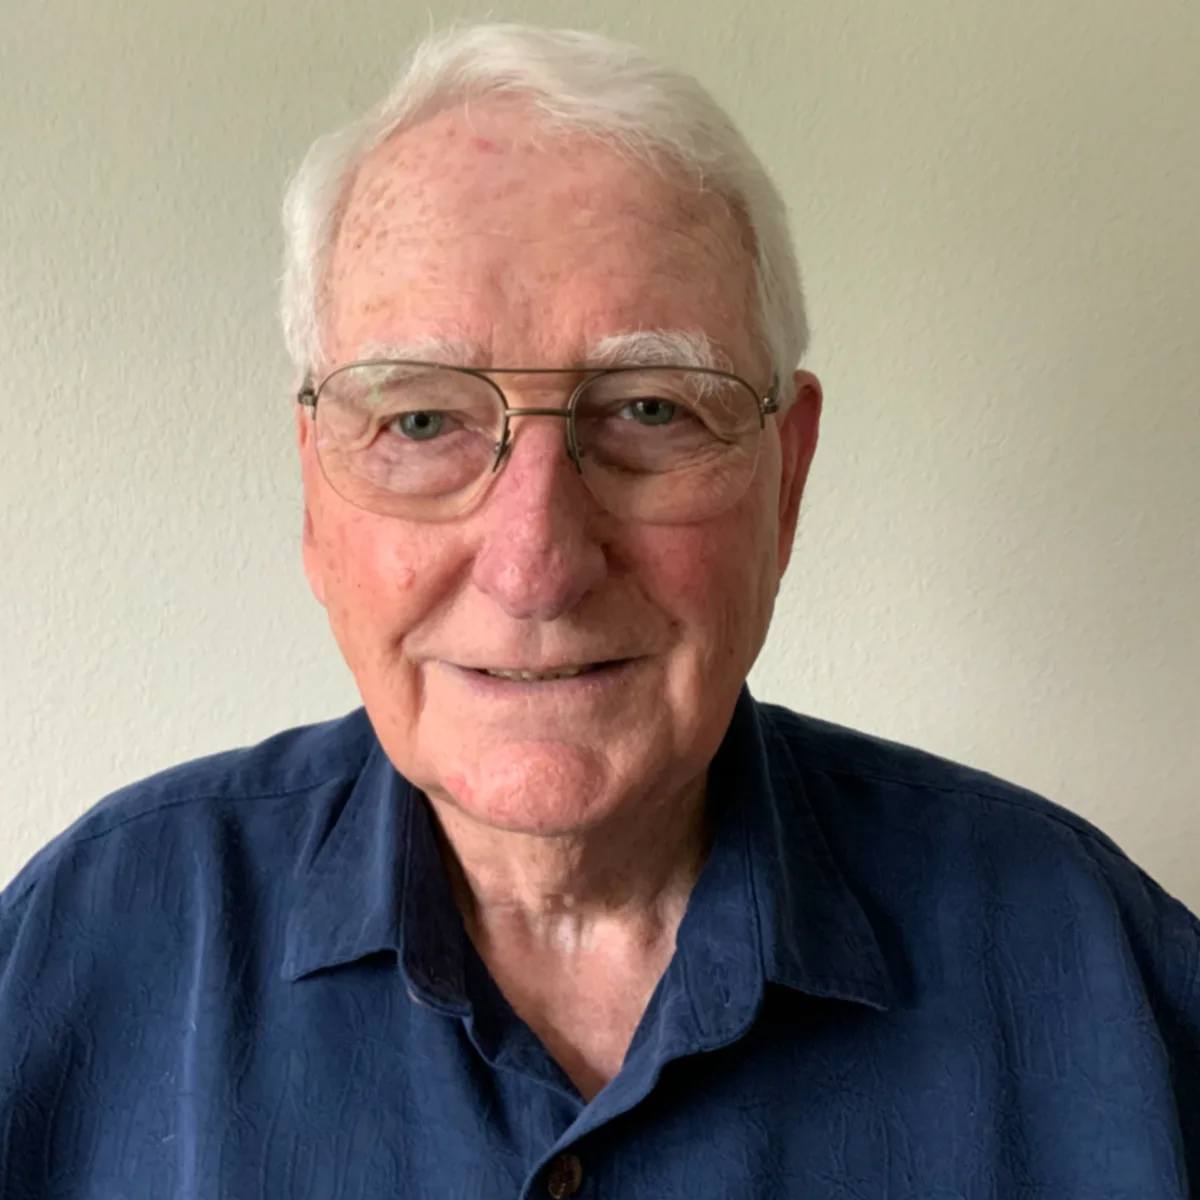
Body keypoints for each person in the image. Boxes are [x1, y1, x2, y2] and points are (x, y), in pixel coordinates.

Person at [1, 22, 1196, 1198]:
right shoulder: (75, 956)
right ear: (316, 490)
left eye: (651, 410)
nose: (537, 566)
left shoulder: (1101, 971)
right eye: (421, 420)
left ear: (786, 479)